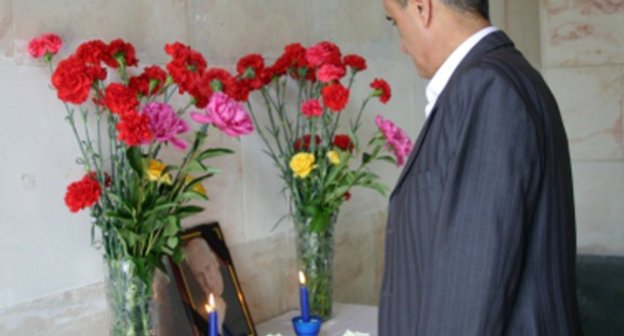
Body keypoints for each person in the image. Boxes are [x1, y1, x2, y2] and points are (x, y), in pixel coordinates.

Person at [379, 0, 583, 335]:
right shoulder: (509, 75)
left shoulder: (487, 88)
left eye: (394, 22)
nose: (401, 44)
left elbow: (468, 287)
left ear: (421, 8)